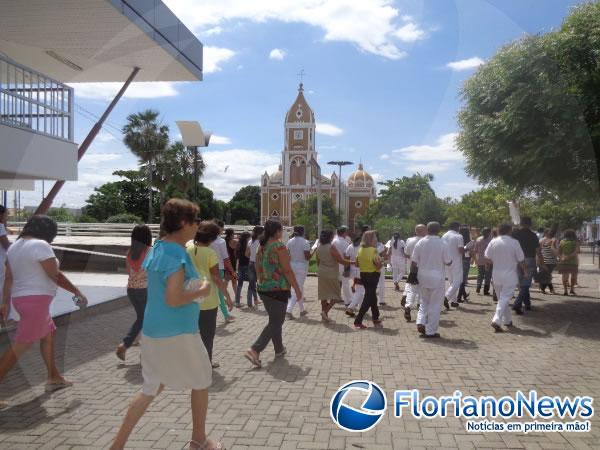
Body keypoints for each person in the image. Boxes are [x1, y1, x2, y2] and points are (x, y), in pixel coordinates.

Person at [111, 199, 221, 450]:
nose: (198, 225)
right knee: (202, 379)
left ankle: (116, 445)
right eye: (195, 220)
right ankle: (199, 440)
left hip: (153, 331)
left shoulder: (159, 247)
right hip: (179, 332)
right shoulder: (176, 252)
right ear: (183, 223)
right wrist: (202, 288)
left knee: (151, 387)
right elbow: (174, 298)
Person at [0, 215, 89, 409]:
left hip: (22, 300)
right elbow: (54, 275)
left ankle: (54, 377)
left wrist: (5, 303)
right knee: (20, 345)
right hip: (36, 301)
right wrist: (77, 291)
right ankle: (52, 377)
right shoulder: (41, 245)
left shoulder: (15, 246)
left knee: (49, 334)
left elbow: (8, 278)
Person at [244, 220, 301, 368]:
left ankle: (279, 349)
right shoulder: (279, 246)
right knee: (276, 321)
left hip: (263, 288)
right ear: (277, 232)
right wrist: (297, 288)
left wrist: (262, 281)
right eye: (281, 230)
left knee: (275, 320)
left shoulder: (261, 246)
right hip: (278, 289)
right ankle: (255, 349)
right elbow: (287, 270)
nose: (282, 233)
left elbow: (257, 267)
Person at [188, 221, 233, 370]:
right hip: (208, 298)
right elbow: (216, 278)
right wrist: (227, 296)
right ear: (212, 238)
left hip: (191, 297)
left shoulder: (188, 248)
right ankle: (206, 362)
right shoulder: (210, 253)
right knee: (207, 334)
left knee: (193, 332)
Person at [408, 222, 451, 338]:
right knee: (435, 305)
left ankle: (420, 321)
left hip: (422, 275)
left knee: (424, 301)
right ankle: (430, 330)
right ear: (439, 230)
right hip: (437, 277)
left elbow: (414, 261)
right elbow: (448, 261)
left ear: (427, 229)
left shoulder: (421, 242)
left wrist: (412, 274)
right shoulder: (443, 243)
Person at [116, 224, 152, 361]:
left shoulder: (130, 252)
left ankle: (129, 345)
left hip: (132, 289)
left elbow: (128, 272)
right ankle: (127, 346)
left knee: (142, 319)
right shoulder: (150, 251)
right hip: (145, 290)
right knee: (146, 320)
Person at [484, 223, 526, 332]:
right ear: (509, 231)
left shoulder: (493, 241)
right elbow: (521, 259)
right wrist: (525, 270)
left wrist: (493, 263)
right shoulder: (514, 242)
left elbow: (487, 257)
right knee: (504, 299)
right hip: (510, 275)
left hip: (496, 275)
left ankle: (507, 320)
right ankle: (497, 319)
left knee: (502, 299)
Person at [317, 229, 352, 323]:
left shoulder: (319, 246)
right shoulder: (331, 247)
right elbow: (341, 260)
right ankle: (325, 312)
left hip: (321, 272)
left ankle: (324, 316)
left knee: (323, 296)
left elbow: (318, 261)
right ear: (330, 237)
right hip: (331, 273)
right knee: (336, 296)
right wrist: (353, 262)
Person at [354, 230, 383, 329]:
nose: (376, 239)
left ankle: (375, 316)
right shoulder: (373, 250)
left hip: (363, 274)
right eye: (375, 237)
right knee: (368, 297)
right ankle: (358, 320)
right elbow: (378, 266)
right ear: (371, 239)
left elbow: (357, 264)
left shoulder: (360, 249)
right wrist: (381, 262)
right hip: (373, 275)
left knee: (372, 295)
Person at [512, 217, 540, 314]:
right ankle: (518, 303)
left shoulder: (515, 234)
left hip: (517, 260)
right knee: (526, 283)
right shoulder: (533, 235)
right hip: (529, 259)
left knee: (522, 283)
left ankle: (527, 304)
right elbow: (537, 250)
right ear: (530, 224)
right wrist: (540, 261)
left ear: (521, 223)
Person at [210, 220, 235, 323]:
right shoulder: (221, 241)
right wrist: (232, 270)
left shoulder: (206, 239)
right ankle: (226, 315)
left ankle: (225, 314)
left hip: (207, 268)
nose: (223, 230)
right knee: (220, 293)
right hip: (218, 268)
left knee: (214, 292)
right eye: (222, 228)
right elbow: (226, 258)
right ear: (218, 228)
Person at [403, 224, 426, 322]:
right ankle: (420, 306)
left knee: (412, 289)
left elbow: (406, 254)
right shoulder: (426, 241)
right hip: (424, 269)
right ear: (424, 231)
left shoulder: (410, 240)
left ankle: (408, 306)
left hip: (413, 268)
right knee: (423, 290)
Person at [286, 226, 310, 319]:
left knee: (299, 288)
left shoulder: (290, 241)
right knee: (298, 289)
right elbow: (307, 257)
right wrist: (314, 250)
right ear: (303, 232)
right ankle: (288, 310)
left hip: (292, 265)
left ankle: (302, 309)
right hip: (301, 267)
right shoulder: (305, 242)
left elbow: (287, 253)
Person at [442, 222, 464, 308]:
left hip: (447, 261)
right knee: (457, 282)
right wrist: (467, 248)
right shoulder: (458, 236)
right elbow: (461, 250)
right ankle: (446, 297)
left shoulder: (444, 235)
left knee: (451, 282)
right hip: (456, 261)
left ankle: (453, 301)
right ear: (457, 227)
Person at [344, 235, 364, 317]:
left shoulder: (349, 247)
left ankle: (361, 307)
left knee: (360, 290)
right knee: (360, 291)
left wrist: (346, 270)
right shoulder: (361, 247)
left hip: (353, 270)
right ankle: (350, 307)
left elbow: (346, 259)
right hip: (360, 270)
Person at [332, 226, 352, 306]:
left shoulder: (333, 241)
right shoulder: (345, 243)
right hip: (343, 264)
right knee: (345, 283)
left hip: (334, 265)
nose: (347, 234)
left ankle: (335, 297)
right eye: (346, 232)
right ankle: (348, 301)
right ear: (344, 233)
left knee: (336, 282)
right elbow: (346, 256)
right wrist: (347, 268)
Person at [558, 229, 580, 296]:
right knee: (574, 276)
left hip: (564, 261)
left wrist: (562, 258)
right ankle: (572, 289)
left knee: (565, 276)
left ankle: (565, 290)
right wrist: (569, 256)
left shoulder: (562, 242)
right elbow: (577, 251)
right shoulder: (576, 242)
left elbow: (559, 252)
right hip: (574, 262)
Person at [234, 232, 252, 307]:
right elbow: (249, 255)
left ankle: (237, 302)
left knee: (239, 285)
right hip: (248, 265)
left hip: (241, 266)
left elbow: (236, 256)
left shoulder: (238, 245)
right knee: (251, 283)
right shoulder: (248, 245)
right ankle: (249, 302)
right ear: (247, 237)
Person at [247, 226, 263, 307]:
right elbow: (261, 255)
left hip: (250, 263)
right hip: (258, 264)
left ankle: (250, 302)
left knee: (251, 283)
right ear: (260, 233)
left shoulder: (250, 241)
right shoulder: (260, 242)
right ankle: (261, 298)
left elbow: (247, 254)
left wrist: (251, 256)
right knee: (259, 282)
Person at [538, 228, 558, 294]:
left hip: (548, 260)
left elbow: (539, 251)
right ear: (546, 233)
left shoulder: (542, 240)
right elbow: (539, 251)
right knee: (547, 275)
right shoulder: (550, 240)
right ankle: (548, 289)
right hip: (546, 260)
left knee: (546, 275)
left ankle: (543, 289)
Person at [474, 227, 493, 296]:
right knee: (488, 276)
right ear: (489, 232)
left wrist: (475, 259)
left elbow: (475, 250)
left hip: (480, 260)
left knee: (480, 274)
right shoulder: (491, 240)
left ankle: (478, 286)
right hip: (487, 260)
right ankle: (485, 290)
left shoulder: (478, 239)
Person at [457, 226, 473, 303]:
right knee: (463, 279)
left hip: (458, 260)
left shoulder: (458, 239)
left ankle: (464, 294)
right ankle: (459, 297)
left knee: (461, 278)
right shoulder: (469, 241)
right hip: (466, 260)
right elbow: (469, 252)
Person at [0, 206, 11, 321]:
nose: (6, 216)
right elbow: (6, 245)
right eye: (5, 214)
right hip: (1, 261)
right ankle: (3, 317)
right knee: (4, 287)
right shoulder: (0, 226)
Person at [224, 228, 238, 294]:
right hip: (232, 260)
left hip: (225, 260)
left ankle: (222, 293)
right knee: (234, 280)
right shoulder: (233, 241)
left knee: (227, 279)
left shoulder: (224, 241)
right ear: (231, 234)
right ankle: (237, 296)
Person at [376, 234, 387, 306]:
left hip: (371, 266)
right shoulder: (381, 245)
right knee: (381, 282)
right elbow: (384, 256)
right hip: (379, 264)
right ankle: (381, 300)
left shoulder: (367, 245)